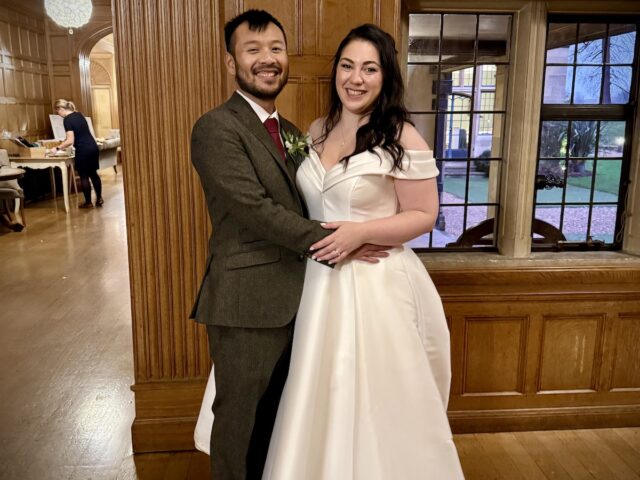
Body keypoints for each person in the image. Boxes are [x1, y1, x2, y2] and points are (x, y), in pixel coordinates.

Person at [189, 10, 387, 480]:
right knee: (239, 421)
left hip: (306, 299)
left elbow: (316, 198)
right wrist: (343, 240)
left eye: (275, 49)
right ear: (229, 61)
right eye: (252, 50)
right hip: (246, 302)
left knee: (280, 420)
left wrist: (365, 222)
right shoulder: (216, 128)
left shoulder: (295, 133)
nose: (267, 60)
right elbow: (254, 209)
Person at [262, 24, 465, 479]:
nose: (356, 78)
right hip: (316, 281)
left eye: (369, 69)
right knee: (317, 390)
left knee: (376, 397)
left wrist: (360, 233)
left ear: (385, 76)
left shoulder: (402, 136)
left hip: (376, 284)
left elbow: (423, 214)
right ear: (336, 70)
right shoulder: (317, 129)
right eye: (348, 66)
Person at [53, 99, 103, 208]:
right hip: (92, 146)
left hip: (83, 149)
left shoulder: (67, 120)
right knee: (93, 174)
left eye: (58, 112)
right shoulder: (79, 114)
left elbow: (70, 140)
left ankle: (88, 203)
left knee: (84, 176)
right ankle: (99, 199)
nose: (58, 114)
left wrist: (57, 148)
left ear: (61, 109)